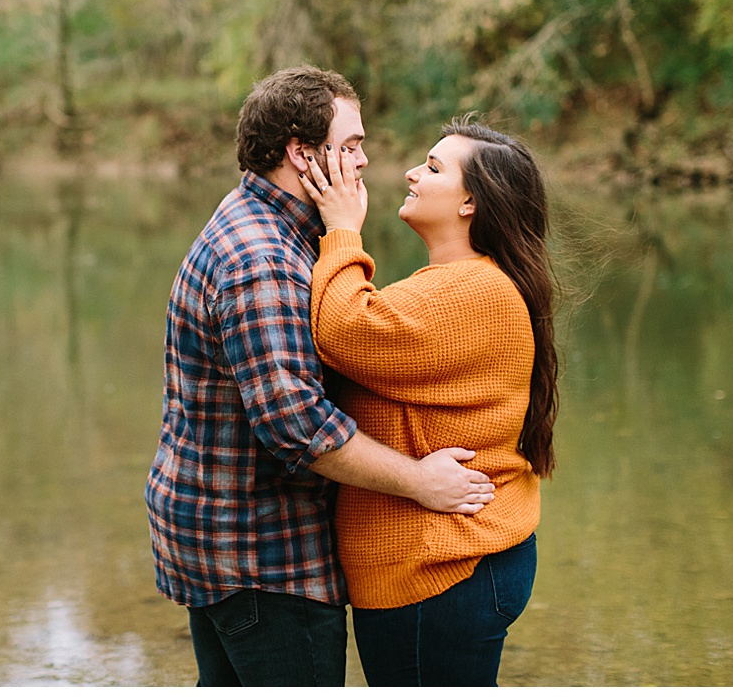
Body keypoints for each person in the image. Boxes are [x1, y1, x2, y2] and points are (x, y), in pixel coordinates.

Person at [145, 67, 497, 687]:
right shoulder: (263, 261)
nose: (365, 161)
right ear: (302, 154)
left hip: (222, 536)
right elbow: (298, 426)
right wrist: (421, 482)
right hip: (260, 554)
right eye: (352, 145)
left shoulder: (269, 223)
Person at [296, 116, 561, 686]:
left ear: (471, 202)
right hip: (450, 562)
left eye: (434, 168)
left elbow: (344, 329)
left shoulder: (472, 291)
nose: (412, 173)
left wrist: (342, 230)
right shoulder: (460, 283)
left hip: (442, 567)